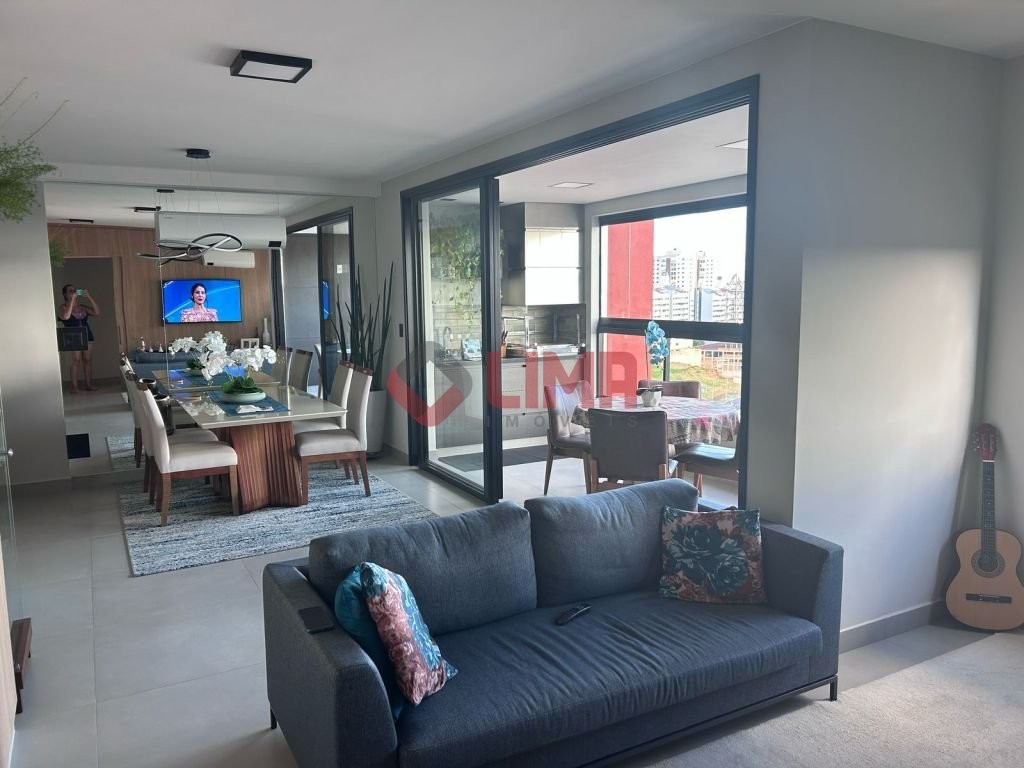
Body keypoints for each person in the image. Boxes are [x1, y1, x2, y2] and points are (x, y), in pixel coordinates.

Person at [57, 284, 101, 394]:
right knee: (76, 360)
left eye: (74, 290)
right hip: (72, 336)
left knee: (87, 359)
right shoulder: (63, 307)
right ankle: (74, 387)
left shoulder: (82, 307)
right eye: (70, 291)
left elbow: (97, 312)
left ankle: (88, 385)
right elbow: (66, 316)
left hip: (87, 335)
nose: (73, 292)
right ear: (65, 294)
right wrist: (72, 301)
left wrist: (89, 296)